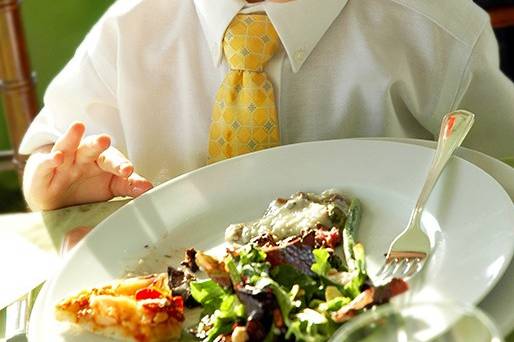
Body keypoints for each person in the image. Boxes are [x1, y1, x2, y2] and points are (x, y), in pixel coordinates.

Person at [20, 0, 514, 211]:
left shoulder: (435, 31)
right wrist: (52, 185)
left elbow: (503, 166)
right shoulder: (131, 28)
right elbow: (48, 145)